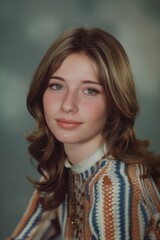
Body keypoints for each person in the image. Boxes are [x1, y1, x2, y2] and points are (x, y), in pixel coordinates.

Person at [8, 27, 160, 240]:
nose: (68, 105)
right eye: (57, 86)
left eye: (90, 90)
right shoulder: (59, 167)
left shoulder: (115, 191)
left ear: (114, 103)